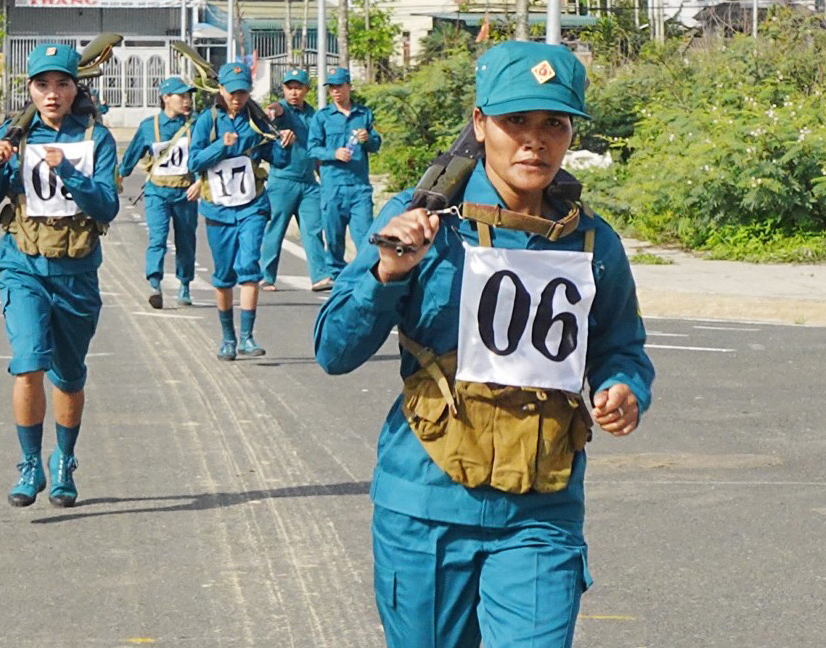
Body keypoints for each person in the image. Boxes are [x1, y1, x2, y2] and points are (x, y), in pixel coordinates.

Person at [313, 41, 654, 648]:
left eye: (554, 123)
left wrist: (623, 387)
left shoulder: (591, 242)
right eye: (515, 121)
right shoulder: (418, 221)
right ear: (480, 123)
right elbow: (333, 352)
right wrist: (388, 272)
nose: (535, 140)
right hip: (426, 507)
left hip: (541, 510)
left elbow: (620, 346)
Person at [0, 44, 119, 508]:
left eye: (62, 84)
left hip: (76, 271)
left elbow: (107, 205)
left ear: (76, 88)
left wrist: (69, 171)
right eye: (42, 85)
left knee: (69, 377)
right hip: (23, 265)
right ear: (30, 89)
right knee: (29, 360)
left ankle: (64, 462)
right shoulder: (14, 135)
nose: (52, 94)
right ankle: (29, 462)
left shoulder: (96, 137)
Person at [190, 61, 290, 360]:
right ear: (220, 90)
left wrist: (284, 144)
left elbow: (277, 159)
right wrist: (221, 145)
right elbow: (194, 162)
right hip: (218, 209)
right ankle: (228, 338)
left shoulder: (257, 120)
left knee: (249, 266)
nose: (237, 97)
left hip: (252, 205)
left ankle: (247, 336)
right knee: (223, 274)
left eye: (243, 92)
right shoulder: (207, 121)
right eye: (232, 92)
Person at [118, 76, 200, 309]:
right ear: (166, 98)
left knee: (186, 240)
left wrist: (201, 182)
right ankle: (155, 283)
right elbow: (132, 154)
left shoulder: (195, 125)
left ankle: (184, 283)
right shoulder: (149, 126)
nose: (187, 101)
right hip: (157, 192)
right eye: (181, 96)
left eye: (188, 97)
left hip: (185, 192)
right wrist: (119, 178)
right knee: (158, 238)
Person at [258, 67, 333, 292]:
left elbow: (318, 148)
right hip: (283, 180)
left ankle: (320, 276)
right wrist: (271, 111)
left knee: (313, 229)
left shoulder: (314, 116)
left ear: (306, 90)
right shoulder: (283, 111)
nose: (293, 92)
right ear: (283, 89)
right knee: (276, 228)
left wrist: (323, 179)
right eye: (289, 88)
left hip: (309, 182)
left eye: (298, 88)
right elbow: (276, 109)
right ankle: (266, 276)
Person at [307, 66, 381, 281]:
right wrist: (333, 153)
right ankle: (337, 278)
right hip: (333, 187)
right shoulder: (322, 117)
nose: (336, 91)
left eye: (339, 86)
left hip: (359, 187)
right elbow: (312, 148)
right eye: (332, 88)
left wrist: (368, 139)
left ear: (349, 86)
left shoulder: (363, 114)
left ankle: (365, 277)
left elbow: (375, 145)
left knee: (365, 236)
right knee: (334, 238)